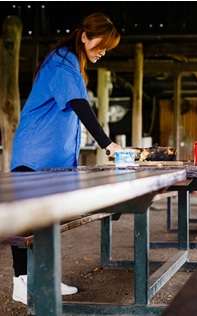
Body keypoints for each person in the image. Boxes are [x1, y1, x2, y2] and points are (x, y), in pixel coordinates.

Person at [10, 13, 122, 305]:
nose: (102, 51)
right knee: (26, 220)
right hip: (36, 153)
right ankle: (21, 283)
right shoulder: (63, 62)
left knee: (47, 218)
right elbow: (78, 104)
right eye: (101, 44)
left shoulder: (71, 62)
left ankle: (42, 278)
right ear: (85, 36)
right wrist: (107, 144)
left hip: (51, 155)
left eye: (108, 49)